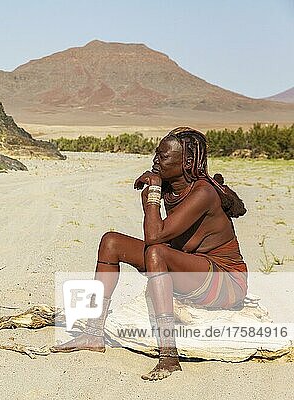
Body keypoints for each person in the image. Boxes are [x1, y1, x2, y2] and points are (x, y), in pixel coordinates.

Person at [52, 127, 248, 381]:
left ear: (187, 162)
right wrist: (155, 193)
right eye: (156, 154)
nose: (156, 161)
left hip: (225, 281)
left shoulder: (203, 192)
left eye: (163, 157)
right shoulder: (170, 188)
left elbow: (155, 237)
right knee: (111, 242)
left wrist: (153, 193)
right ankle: (93, 332)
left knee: (156, 252)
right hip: (191, 270)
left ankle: (169, 356)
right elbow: (159, 236)